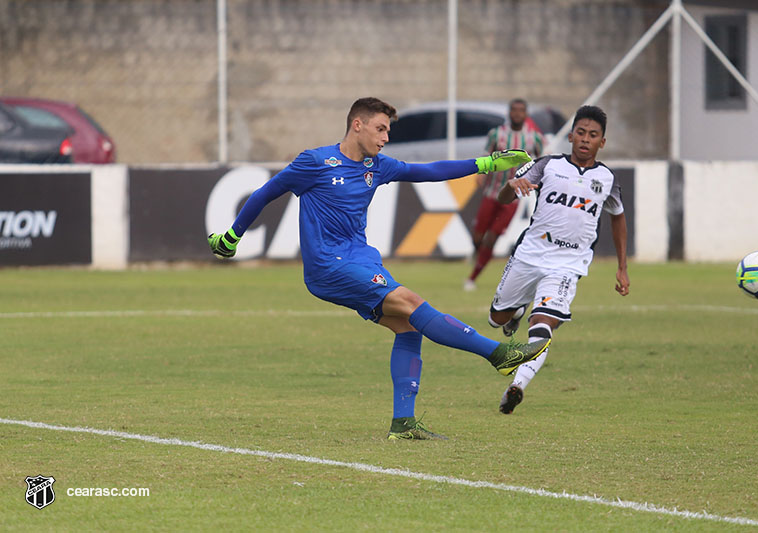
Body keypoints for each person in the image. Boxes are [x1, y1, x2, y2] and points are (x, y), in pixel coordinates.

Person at [208, 97, 550, 440]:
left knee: (408, 328)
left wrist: (486, 163)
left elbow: (428, 171)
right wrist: (233, 236)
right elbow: (265, 193)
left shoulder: (378, 166)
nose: (385, 137)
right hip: (329, 265)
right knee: (412, 303)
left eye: (388, 130)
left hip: (363, 260)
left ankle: (403, 423)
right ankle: (499, 354)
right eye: (380, 129)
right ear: (357, 125)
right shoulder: (315, 162)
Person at [485, 105, 629, 414]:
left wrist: (622, 266)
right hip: (529, 256)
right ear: (571, 136)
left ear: (602, 142)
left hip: (568, 264)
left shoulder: (606, 179)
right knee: (496, 319)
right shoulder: (546, 165)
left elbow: (618, 217)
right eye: (580, 133)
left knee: (544, 324)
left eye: (593, 135)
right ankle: (515, 311)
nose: (585, 140)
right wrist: (511, 187)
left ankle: (517, 386)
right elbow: (504, 197)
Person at [464, 98, 544, 292]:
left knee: (491, 238)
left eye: (521, 110)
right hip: (491, 192)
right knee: (478, 237)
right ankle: (478, 253)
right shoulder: (496, 134)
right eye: (514, 110)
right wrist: (482, 175)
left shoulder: (534, 138)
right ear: (509, 113)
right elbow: (486, 156)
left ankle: (473, 277)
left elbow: (540, 162)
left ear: (526, 114)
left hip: (512, 197)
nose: (517, 113)